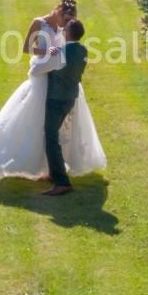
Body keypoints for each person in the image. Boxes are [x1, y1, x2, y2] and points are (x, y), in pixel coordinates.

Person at [0, 0, 105, 183]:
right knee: (34, 119)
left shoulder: (64, 29)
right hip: (41, 76)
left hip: (58, 77)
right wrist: (45, 52)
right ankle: (36, 165)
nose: (65, 24)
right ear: (57, 11)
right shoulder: (39, 23)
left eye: (69, 21)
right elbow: (26, 48)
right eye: (64, 18)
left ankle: (53, 168)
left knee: (57, 126)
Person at [35, 18, 90, 196]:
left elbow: (38, 70)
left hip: (56, 98)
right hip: (70, 96)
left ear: (67, 33)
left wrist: (45, 56)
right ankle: (55, 172)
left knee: (51, 138)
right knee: (53, 136)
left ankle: (61, 181)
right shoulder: (82, 49)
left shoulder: (60, 52)